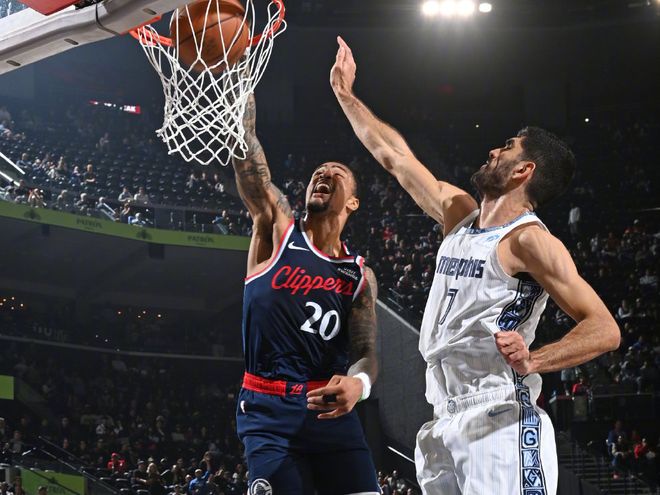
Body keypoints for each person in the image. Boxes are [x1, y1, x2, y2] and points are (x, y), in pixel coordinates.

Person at [330, 36, 620, 495]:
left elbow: (605, 329)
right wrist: (346, 96)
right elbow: (396, 158)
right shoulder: (459, 215)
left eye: (508, 147)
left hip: (499, 416)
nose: (494, 151)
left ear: (524, 171)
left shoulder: (529, 240)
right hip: (442, 417)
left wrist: (535, 359)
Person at [232, 93, 380, 494]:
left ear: (353, 202)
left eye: (337, 172)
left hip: (330, 412)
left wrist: (359, 384)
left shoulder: (359, 275)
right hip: (269, 410)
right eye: (319, 171)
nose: (324, 173)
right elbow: (249, 155)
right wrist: (238, 88)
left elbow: (366, 353)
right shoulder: (277, 229)